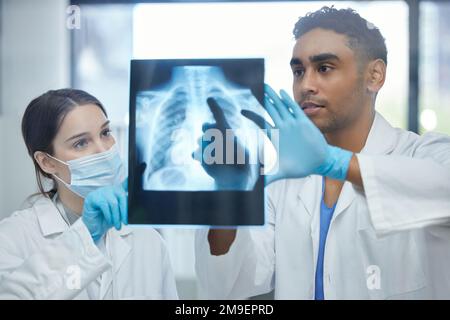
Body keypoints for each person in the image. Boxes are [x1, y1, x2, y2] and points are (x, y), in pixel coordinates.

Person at [195, 6, 450, 299]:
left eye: (324, 68)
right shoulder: (283, 183)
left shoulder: (422, 154)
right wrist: (230, 191)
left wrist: (334, 163)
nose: (305, 85)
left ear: (375, 76)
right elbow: (229, 285)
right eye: (298, 71)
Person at [0, 89, 178, 299]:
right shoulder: (12, 238)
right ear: (47, 162)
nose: (104, 150)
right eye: (81, 143)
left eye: (105, 133)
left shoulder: (148, 242)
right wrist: (86, 234)